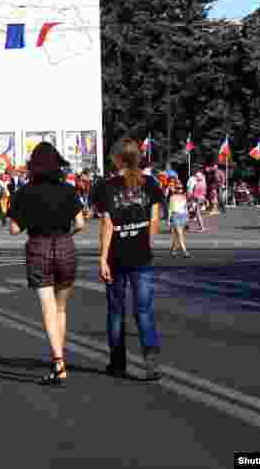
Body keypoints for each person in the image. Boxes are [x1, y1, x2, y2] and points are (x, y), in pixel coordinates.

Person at [8, 142, 85, 386]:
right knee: (61, 308)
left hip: (39, 247)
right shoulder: (67, 190)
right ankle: (59, 358)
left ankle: (58, 361)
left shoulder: (25, 192)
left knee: (47, 308)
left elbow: (13, 228)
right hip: (65, 246)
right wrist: (66, 235)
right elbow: (81, 223)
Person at [97, 138, 164, 382]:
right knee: (144, 311)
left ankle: (117, 362)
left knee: (116, 311)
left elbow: (107, 224)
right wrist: (146, 243)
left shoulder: (107, 186)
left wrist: (102, 258)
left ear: (117, 158)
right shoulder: (151, 183)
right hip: (141, 256)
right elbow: (155, 220)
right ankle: (151, 361)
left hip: (116, 255)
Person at [167, 181, 190, 258]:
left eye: (181, 188)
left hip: (183, 216)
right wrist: (168, 220)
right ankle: (185, 251)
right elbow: (170, 209)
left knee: (177, 235)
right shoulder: (172, 197)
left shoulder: (184, 197)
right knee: (180, 235)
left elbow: (186, 208)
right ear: (175, 189)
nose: (180, 189)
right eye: (178, 188)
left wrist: (187, 218)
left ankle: (173, 250)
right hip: (175, 216)